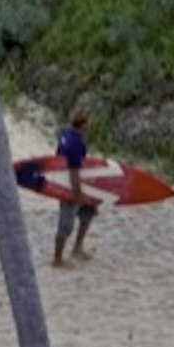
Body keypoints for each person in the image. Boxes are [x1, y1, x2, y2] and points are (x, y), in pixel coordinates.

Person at [48, 110, 100, 269]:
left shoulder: (65, 134)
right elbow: (73, 172)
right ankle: (57, 259)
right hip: (70, 187)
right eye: (88, 122)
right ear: (83, 124)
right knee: (66, 223)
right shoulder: (76, 144)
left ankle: (77, 248)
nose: (90, 125)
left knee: (89, 211)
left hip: (75, 183)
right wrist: (78, 195)